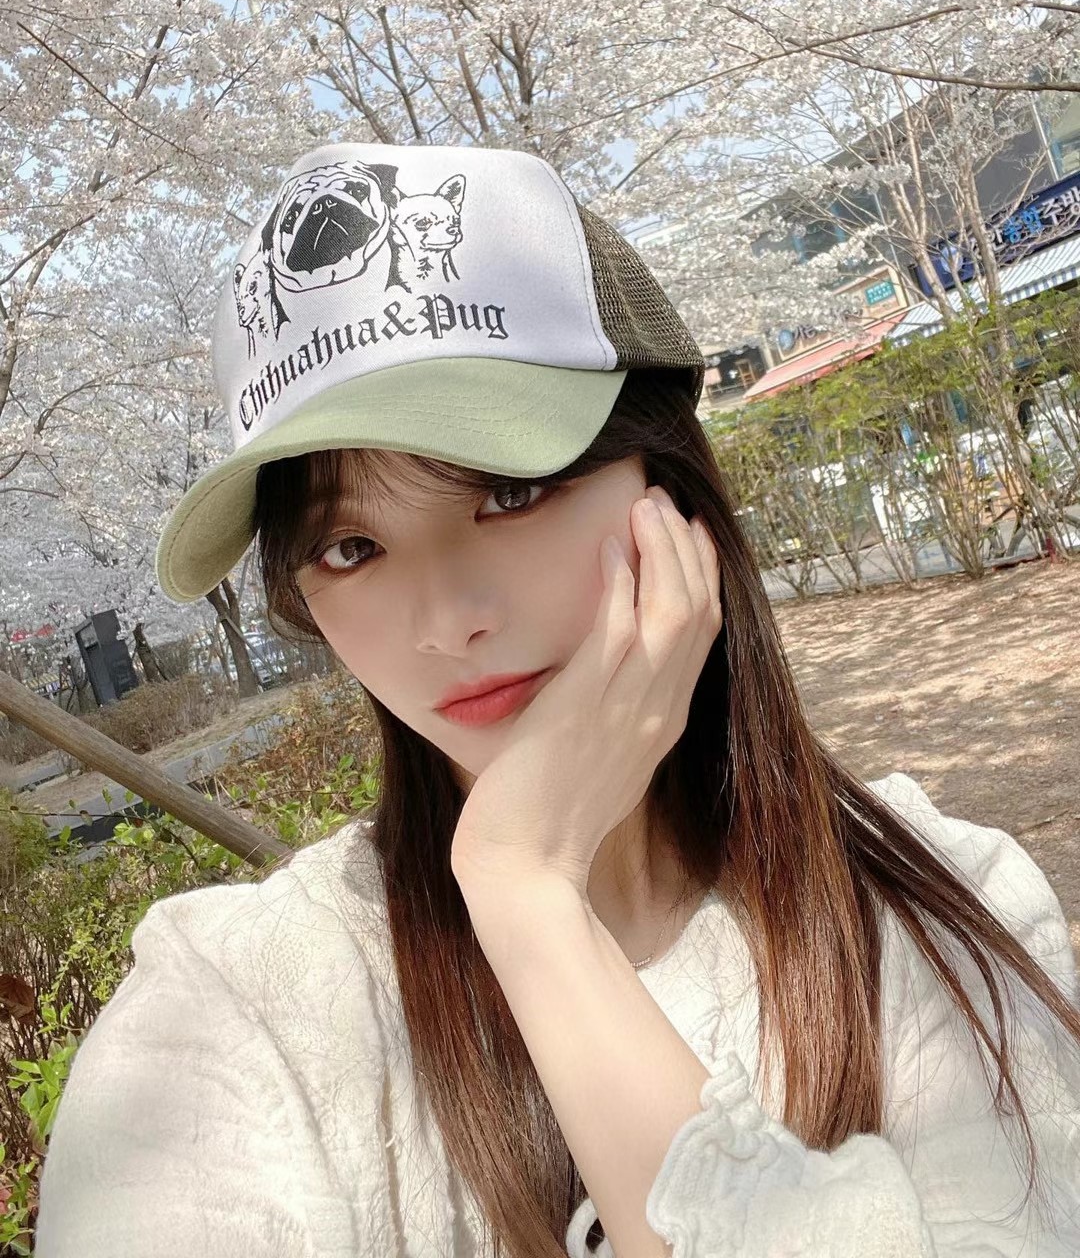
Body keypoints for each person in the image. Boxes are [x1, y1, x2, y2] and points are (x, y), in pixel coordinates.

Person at [35, 142, 1080, 1258]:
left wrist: (530, 899)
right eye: (350, 547)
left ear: (667, 483)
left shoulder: (942, 920)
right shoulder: (232, 1017)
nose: (448, 621)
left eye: (512, 490)